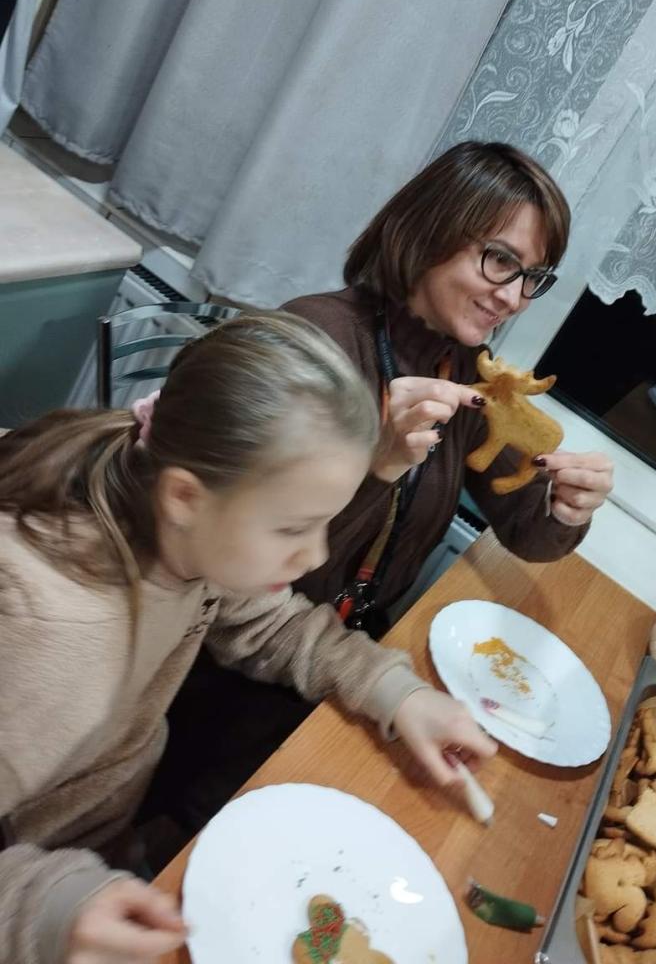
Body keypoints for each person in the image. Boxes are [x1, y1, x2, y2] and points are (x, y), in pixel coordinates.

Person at [0, 313, 494, 964]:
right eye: (293, 530)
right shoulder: (46, 634)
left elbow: (272, 623)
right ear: (184, 496)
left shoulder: (187, 540)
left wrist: (395, 693)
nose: (316, 556)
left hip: (101, 856)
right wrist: (47, 906)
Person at [152, 141, 613, 836]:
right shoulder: (314, 343)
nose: (513, 296)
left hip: (347, 656)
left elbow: (527, 530)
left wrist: (566, 508)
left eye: (533, 277)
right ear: (429, 233)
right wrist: (378, 464)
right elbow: (240, 578)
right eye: (499, 259)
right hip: (233, 670)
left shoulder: (468, 371)